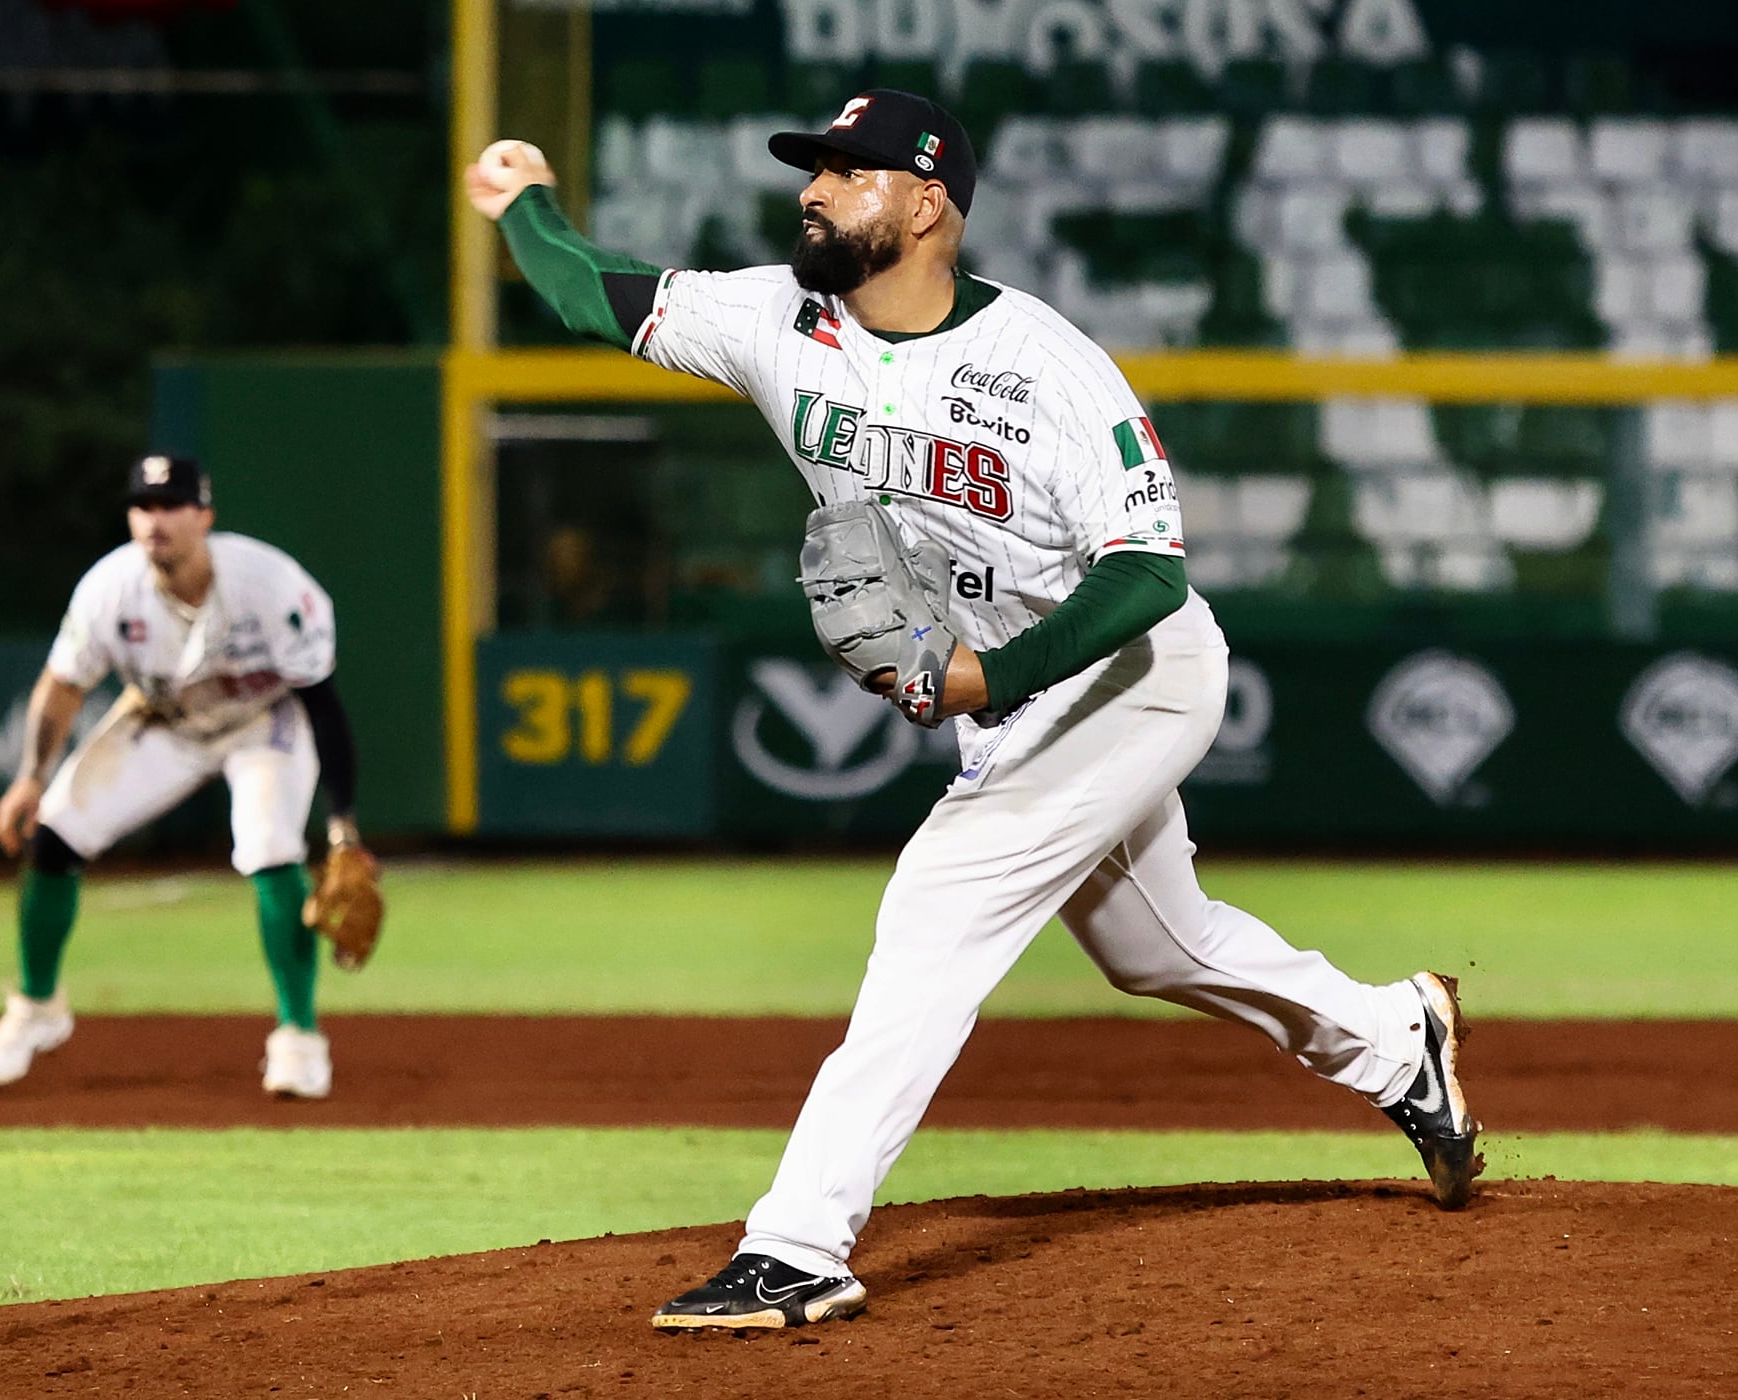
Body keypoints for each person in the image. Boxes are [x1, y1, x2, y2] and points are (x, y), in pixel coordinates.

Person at [465, 93, 1481, 1331]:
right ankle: (1394, 1040)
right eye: (816, 171)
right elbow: (592, 296)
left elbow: (1150, 569)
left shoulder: (1046, 365)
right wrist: (526, 208)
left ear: (928, 201)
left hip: (1134, 668)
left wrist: (995, 679)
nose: (816, 191)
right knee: (1163, 944)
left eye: (849, 172)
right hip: (1019, 703)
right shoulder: (775, 318)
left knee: (940, 898)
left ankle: (797, 1242)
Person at [0, 454, 372, 1099]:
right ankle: (37, 1010)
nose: (157, 521)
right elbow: (63, 686)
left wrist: (343, 825)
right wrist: (31, 777)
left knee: (269, 847)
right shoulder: (109, 590)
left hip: (264, 721)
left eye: (173, 505)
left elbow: (323, 704)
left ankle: (299, 1037)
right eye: (144, 507)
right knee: (56, 835)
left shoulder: (271, 586)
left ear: (204, 516)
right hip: (167, 721)